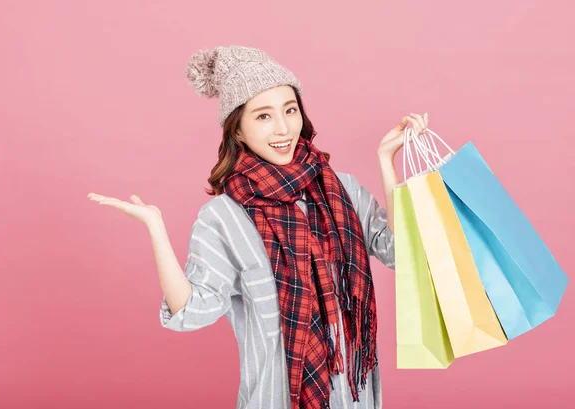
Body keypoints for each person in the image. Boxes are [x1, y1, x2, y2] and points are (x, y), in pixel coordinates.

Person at [88, 45, 429, 409]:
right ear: (238, 131)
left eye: (290, 110)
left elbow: (401, 253)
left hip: (354, 398)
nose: (283, 128)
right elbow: (191, 311)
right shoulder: (223, 218)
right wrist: (156, 229)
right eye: (263, 116)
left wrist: (386, 163)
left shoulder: (342, 190)